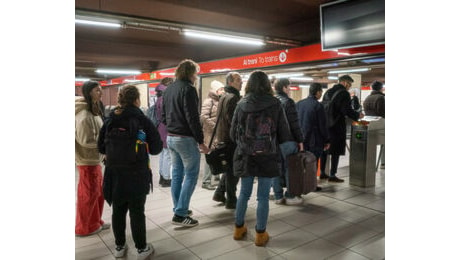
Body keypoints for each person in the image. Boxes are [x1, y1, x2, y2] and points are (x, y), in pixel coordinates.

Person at [98, 85, 163, 259]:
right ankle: (141, 249)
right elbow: (157, 148)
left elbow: (100, 146)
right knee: (136, 211)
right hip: (137, 172)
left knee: (118, 210)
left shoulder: (111, 119)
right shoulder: (142, 120)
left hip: (114, 172)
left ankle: (119, 247)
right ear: (136, 100)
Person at [231, 70, 291, 247]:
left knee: (243, 193)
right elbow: (284, 131)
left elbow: (232, 133)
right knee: (263, 197)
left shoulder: (241, 104)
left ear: (249, 84)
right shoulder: (275, 103)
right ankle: (260, 234)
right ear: (267, 84)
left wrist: (245, 144)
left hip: (246, 155)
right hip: (267, 155)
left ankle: (238, 229)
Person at [162, 59, 210, 227]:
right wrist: (201, 141)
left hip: (171, 137)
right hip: (185, 139)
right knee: (191, 175)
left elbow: (163, 115)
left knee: (177, 174)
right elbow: (192, 117)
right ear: (190, 73)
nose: (196, 76)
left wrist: (172, 126)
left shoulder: (169, 89)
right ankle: (181, 214)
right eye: (195, 73)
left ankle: (178, 207)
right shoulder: (188, 89)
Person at [75, 81, 110, 237]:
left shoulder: (93, 110)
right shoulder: (83, 115)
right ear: (89, 93)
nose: (100, 93)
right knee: (88, 195)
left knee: (97, 193)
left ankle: (96, 221)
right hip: (87, 161)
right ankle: (84, 227)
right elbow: (84, 140)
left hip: (95, 159)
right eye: (97, 90)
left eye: (101, 89)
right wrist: (104, 145)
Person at [320, 75, 363, 182]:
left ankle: (322, 172)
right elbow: (346, 110)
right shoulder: (344, 93)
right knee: (336, 151)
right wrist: (358, 115)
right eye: (349, 84)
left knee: (325, 149)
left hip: (325, 125)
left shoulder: (328, 92)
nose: (349, 86)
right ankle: (332, 175)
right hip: (336, 126)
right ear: (344, 82)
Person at [212, 72, 243, 209]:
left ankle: (219, 193)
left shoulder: (223, 96)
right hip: (231, 140)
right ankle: (231, 200)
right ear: (230, 82)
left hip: (223, 137)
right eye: (238, 80)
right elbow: (234, 122)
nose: (241, 82)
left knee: (229, 168)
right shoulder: (233, 98)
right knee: (233, 171)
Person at [272, 78, 305, 206]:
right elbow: (294, 123)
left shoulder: (272, 101)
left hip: (274, 141)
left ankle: (278, 196)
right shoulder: (288, 102)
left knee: (276, 169)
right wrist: (300, 140)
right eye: (289, 87)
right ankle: (291, 195)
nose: (290, 90)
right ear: (284, 88)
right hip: (287, 140)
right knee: (290, 168)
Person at [297, 82, 331, 177]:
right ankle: (311, 185)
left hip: (301, 140)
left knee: (302, 162)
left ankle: (303, 183)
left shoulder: (299, 104)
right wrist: (327, 140)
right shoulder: (318, 106)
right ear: (318, 92)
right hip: (315, 141)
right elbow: (322, 126)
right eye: (321, 92)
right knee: (313, 163)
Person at [147, 77, 174, 187]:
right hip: (165, 129)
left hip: (160, 128)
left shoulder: (159, 96)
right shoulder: (165, 97)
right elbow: (167, 115)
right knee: (167, 154)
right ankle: (167, 178)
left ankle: (163, 176)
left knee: (163, 153)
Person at [200, 80, 225, 190]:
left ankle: (216, 176)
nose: (222, 91)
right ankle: (206, 181)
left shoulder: (220, 100)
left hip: (218, 133)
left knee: (217, 154)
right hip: (211, 134)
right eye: (220, 89)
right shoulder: (208, 101)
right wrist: (215, 126)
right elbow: (204, 117)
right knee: (210, 155)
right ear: (215, 90)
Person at [363, 80, 385, 169]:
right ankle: (384, 163)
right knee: (385, 143)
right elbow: (382, 112)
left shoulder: (367, 98)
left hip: (369, 123)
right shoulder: (380, 98)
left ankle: (369, 163)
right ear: (381, 88)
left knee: (370, 144)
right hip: (380, 123)